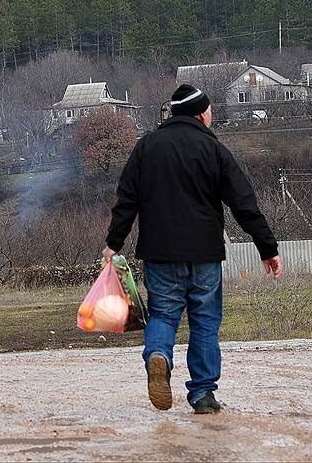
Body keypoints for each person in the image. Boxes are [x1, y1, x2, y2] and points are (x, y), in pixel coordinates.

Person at [103, 83, 283, 414]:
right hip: (204, 253)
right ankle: (202, 394)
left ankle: (158, 355)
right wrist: (266, 247)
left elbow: (126, 199)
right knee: (204, 321)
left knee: (164, 314)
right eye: (210, 111)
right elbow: (243, 202)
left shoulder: (147, 147)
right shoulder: (212, 148)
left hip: (160, 253)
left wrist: (114, 243)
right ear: (201, 114)